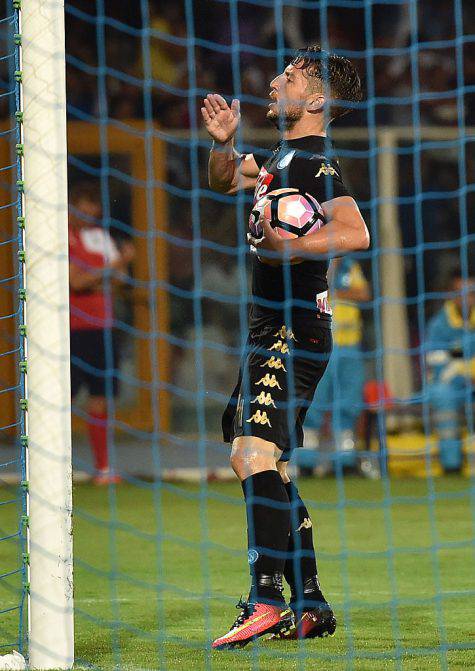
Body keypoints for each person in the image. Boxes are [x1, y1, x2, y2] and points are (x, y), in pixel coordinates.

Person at [202, 45, 369, 649]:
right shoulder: (281, 157)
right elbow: (223, 180)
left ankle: (267, 596)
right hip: (269, 329)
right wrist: (223, 141)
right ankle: (312, 603)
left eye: (291, 76)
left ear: (318, 99)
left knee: (251, 454)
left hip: (293, 329)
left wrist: (289, 248)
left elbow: (356, 232)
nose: (274, 82)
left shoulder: (317, 164)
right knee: (266, 462)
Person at [68, 182, 134, 485]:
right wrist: (115, 264)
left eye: (92, 211)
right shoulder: (60, 236)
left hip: (102, 328)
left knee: (100, 399)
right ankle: (54, 469)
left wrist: (106, 274)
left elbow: (121, 280)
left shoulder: (98, 236)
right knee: (61, 400)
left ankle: (103, 468)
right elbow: (77, 282)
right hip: (68, 329)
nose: (88, 216)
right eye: (82, 209)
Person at [302, 256, 371, 475]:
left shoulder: (351, 266)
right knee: (314, 403)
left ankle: (345, 460)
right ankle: (306, 462)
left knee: (348, 403)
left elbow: (364, 294)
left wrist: (337, 293)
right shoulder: (310, 267)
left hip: (349, 347)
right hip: (319, 347)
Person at [426, 269, 475, 473]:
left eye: (471, 293)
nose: (466, 299)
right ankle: (451, 465)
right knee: (441, 394)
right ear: (450, 295)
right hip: (450, 383)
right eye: (460, 293)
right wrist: (462, 367)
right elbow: (434, 357)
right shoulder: (439, 323)